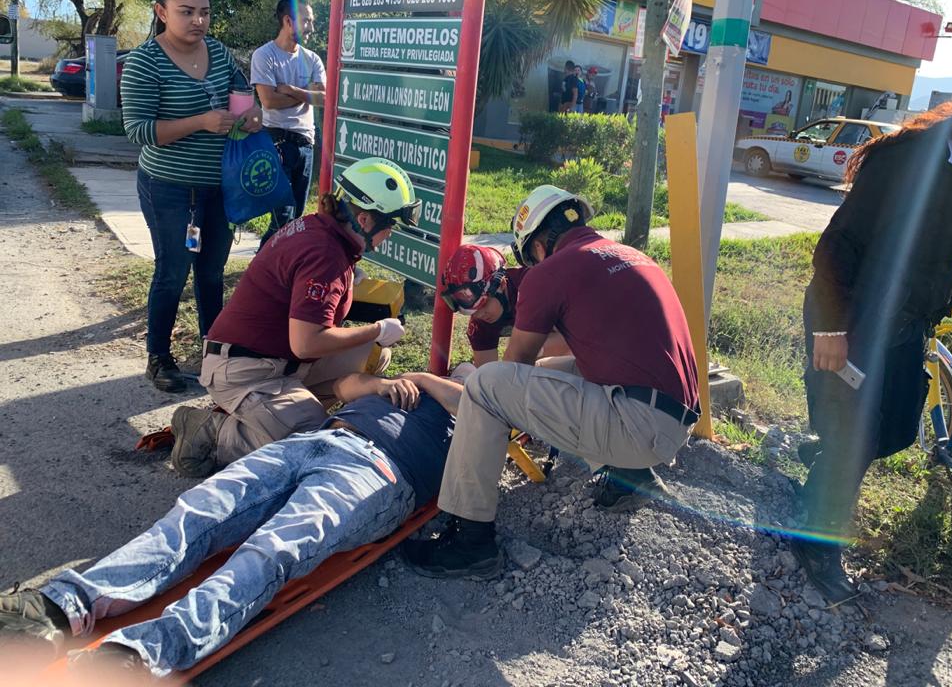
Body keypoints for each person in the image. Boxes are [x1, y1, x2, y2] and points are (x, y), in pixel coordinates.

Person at [0, 371, 465, 677]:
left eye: (468, 372)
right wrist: (380, 383)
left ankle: (139, 655)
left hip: (378, 471)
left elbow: (473, 400)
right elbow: (343, 388)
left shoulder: (474, 414)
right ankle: (57, 608)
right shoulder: (403, 387)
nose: (460, 373)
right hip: (314, 440)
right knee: (200, 510)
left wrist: (427, 378)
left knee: (274, 550)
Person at [792, 85, 952, 604]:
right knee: (860, 431)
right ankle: (814, 537)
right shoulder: (907, 161)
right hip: (856, 319)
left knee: (894, 431)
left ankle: (826, 463)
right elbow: (838, 244)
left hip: (903, 324)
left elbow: (951, 237)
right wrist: (831, 329)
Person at [405, 186, 701, 579]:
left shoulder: (550, 272)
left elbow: (510, 374)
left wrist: (436, 385)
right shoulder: (630, 255)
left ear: (538, 245)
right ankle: (628, 476)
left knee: (487, 385)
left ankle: (470, 543)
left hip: (640, 427)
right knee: (560, 370)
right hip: (673, 419)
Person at [169, 157, 422, 478]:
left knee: (376, 354)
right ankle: (212, 432)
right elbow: (306, 343)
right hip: (246, 371)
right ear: (364, 220)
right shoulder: (325, 255)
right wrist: (376, 329)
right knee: (315, 441)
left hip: (271, 358)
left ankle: (287, 410)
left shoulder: (321, 230)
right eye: (390, 228)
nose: (390, 236)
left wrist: (346, 282)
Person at [122, 0, 263, 394]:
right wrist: (200, 122)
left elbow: (242, 96)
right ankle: (159, 357)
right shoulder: (145, 62)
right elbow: (138, 130)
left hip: (217, 186)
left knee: (211, 272)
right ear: (161, 12)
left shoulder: (218, 54)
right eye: (186, 12)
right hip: (168, 187)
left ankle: (214, 351)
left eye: (204, 12)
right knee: (172, 272)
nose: (198, 20)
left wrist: (250, 113)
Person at [249, 0, 326, 248]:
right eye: (306, 21)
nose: (312, 28)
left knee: (297, 217)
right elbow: (268, 101)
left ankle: (276, 267)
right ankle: (265, 266)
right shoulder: (264, 55)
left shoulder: (312, 58)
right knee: (282, 216)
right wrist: (306, 93)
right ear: (288, 21)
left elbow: (323, 98)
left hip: (306, 141)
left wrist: (291, 89)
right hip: (277, 141)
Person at [439, 244, 569, 366]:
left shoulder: (532, 288)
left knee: (527, 359)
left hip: (578, 344)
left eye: (483, 304)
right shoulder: (479, 323)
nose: (479, 315)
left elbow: (571, 338)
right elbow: (486, 373)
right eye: (472, 312)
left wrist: (523, 351)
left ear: (501, 284)